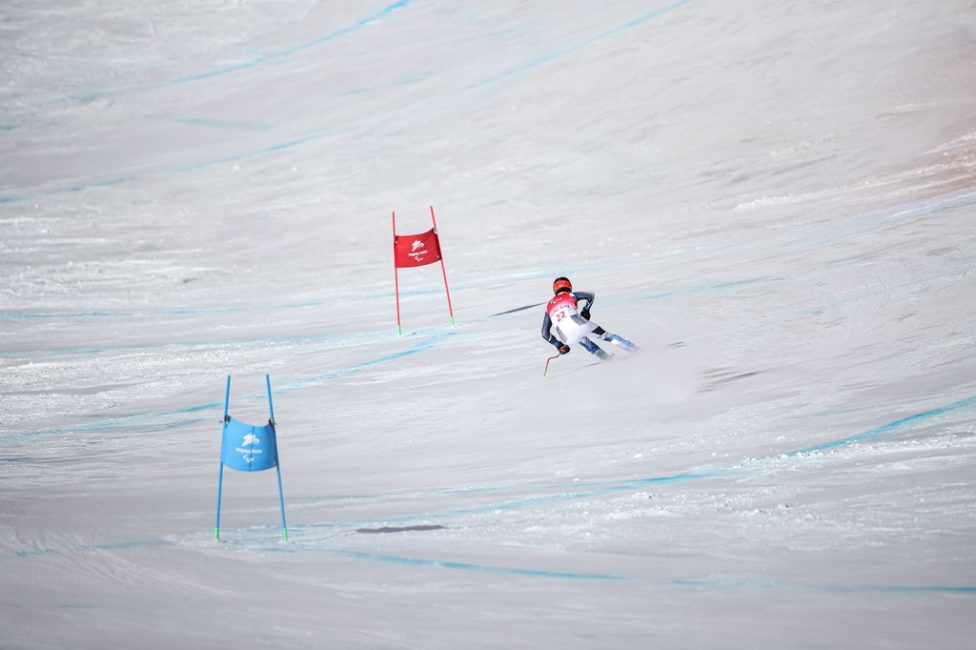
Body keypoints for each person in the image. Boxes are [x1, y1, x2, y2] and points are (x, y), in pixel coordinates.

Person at [541, 276, 636, 360]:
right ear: (569, 286)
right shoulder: (570, 295)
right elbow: (590, 295)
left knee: (582, 339)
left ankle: (605, 359)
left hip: (566, 338)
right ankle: (633, 349)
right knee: (607, 336)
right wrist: (586, 310)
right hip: (579, 324)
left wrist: (559, 345)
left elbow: (544, 333)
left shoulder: (548, 306)